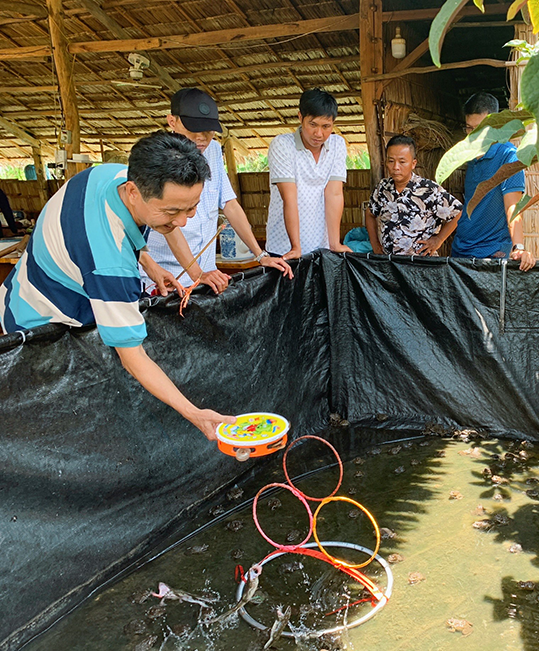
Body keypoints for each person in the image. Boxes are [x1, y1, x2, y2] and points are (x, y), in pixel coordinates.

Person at [0, 131, 236, 440]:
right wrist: (195, 413)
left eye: (191, 207)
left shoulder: (109, 175)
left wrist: (150, 263)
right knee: (60, 427)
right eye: (172, 211)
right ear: (134, 191)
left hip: (26, 288)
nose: (183, 222)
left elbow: (147, 224)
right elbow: (131, 356)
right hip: (40, 331)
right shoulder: (109, 264)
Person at [139, 88, 292, 293]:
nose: (202, 138)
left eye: (208, 131)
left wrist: (260, 255)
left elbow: (229, 204)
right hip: (166, 276)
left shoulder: (212, 151)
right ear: (172, 121)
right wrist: (196, 273)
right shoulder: (158, 159)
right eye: (194, 130)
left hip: (206, 275)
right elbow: (170, 223)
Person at [451, 93, 536, 271]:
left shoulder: (509, 155)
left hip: (492, 252)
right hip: (461, 248)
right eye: (469, 128)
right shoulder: (469, 155)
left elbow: (513, 207)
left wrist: (519, 247)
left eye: (480, 129)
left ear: (496, 125)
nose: (474, 135)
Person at [267, 88, 351, 259]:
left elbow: (334, 193)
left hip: (322, 246)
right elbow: (289, 197)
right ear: (300, 117)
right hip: (284, 246)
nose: (318, 134)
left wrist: (334, 243)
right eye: (312, 125)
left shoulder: (337, 145)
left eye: (326, 126)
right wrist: (295, 247)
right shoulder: (282, 145)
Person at [365, 135, 462, 255]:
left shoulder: (428, 190)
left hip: (420, 266)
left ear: (413, 163)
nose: (396, 167)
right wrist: (375, 245)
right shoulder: (383, 188)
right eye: (391, 161)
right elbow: (370, 214)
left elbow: (458, 213)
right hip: (389, 265)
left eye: (402, 162)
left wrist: (439, 240)